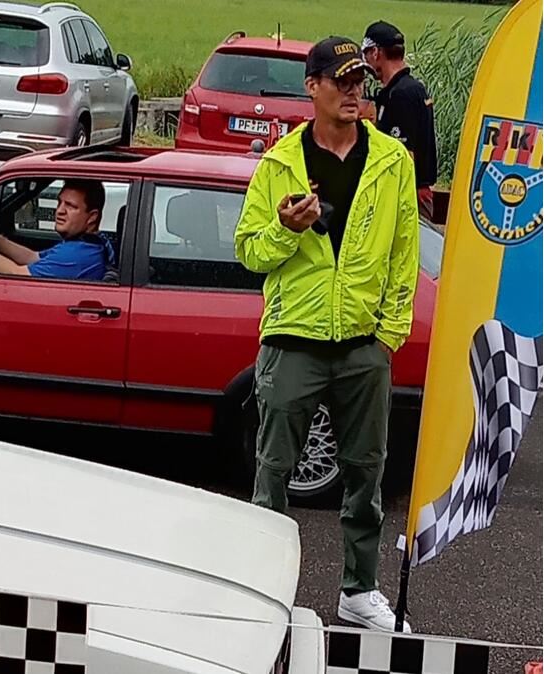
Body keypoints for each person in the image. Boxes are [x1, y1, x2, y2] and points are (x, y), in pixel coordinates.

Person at [234, 37, 420, 632]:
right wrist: (287, 231)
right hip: (292, 341)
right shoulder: (278, 164)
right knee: (273, 472)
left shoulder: (392, 160)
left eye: (360, 80)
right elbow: (249, 253)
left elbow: (404, 254)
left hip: (363, 345)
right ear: (311, 86)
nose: (353, 91)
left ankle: (358, 590)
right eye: (341, 81)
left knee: (366, 473)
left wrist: (387, 336)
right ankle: (261, 590)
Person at [0, 179, 115, 280]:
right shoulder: (93, 243)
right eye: (60, 202)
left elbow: (16, 273)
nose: (59, 211)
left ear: (92, 217)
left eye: (71, 206)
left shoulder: (77, 255)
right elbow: (32, 258)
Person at [363, 20, 438, 219]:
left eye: (366, 54)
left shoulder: (400, 94)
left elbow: (404, 155)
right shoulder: (410, 88)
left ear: (376, 53)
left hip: (408, 195)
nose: (366, 61)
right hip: (416, 191)